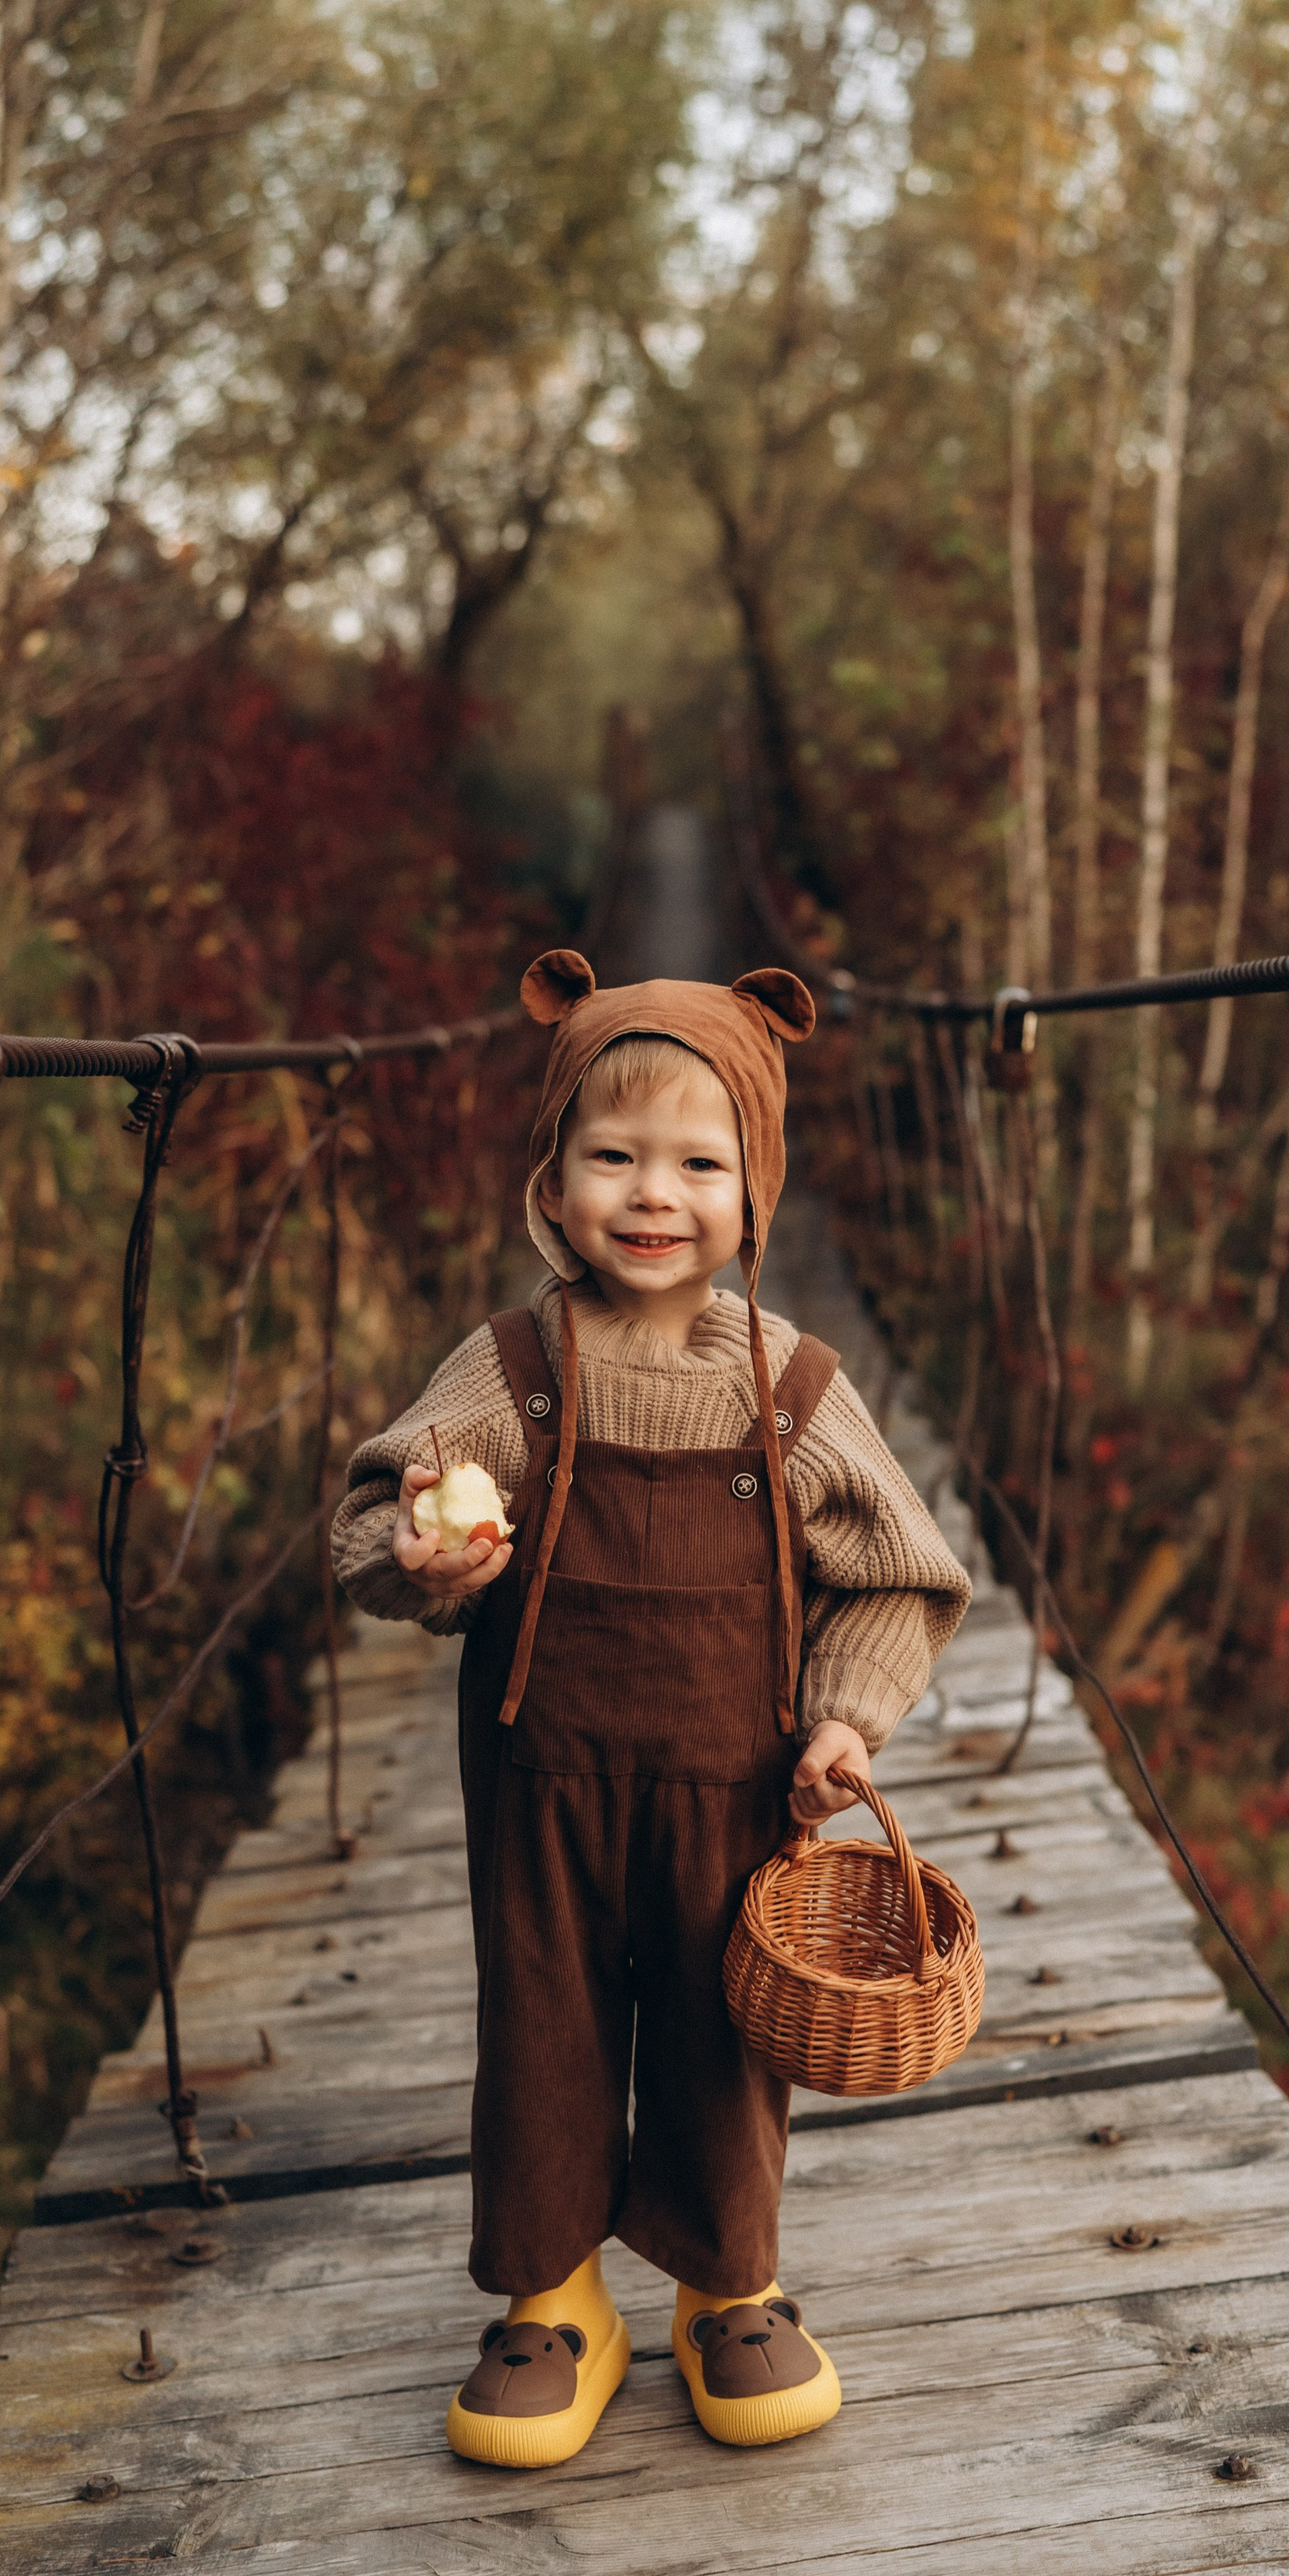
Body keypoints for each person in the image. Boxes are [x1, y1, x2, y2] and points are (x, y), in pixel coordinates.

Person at [332, 949, 971, 2466]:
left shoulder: (790, 1387)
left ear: (755, 1193)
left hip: (731, 1780)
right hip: (536, 1778)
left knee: (713, 2027)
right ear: (549, 1183)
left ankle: (721, 2283)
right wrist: (423, 1557)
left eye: (700, 1161)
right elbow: (370, 1519)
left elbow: (901, 1573)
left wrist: (842, 1718)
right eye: (610, 1155)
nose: (651, 1194)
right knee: (542, 2021)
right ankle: (553, 2296)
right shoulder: (511, 1366)